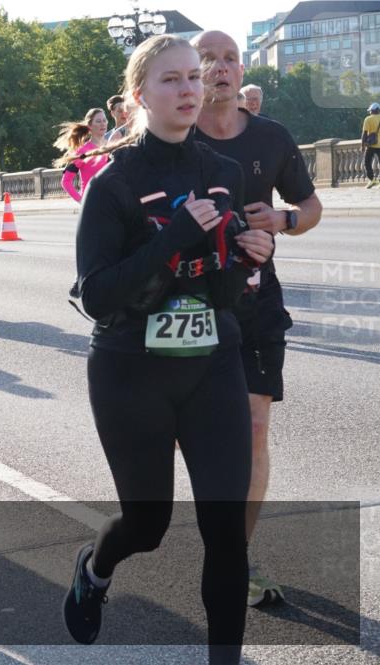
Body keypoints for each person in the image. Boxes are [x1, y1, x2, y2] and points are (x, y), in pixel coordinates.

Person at [62, 34, 275, 665]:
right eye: (171, 80)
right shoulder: (114, 183)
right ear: (139, 96)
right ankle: (95, 569)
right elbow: (97, 295)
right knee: (147, 525)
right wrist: (174, 237)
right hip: (131, 369)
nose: (188, 89)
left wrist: (249, 260)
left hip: (212, 365)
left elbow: (226, 293)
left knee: (226, 532)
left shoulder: (223, 173)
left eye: (193, 77)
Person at [193, 30, 323, 609]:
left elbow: (311, 206)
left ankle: (234, 556)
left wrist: (284, 219)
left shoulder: (271, 136)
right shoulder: (174, 136)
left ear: (240, 71)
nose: (220, 68)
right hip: (187, 305)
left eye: (230, 59)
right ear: (191, 71)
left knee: (254, 427)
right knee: (196, 437)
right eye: (208, 59)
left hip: (255, 301)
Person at [55, 108, 110, 203]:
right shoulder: (83, 151)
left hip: (112, 203)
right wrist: (81, 201)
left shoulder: (112, 146)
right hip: (92, 203)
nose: (103, 124)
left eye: (104, 120)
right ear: (89, 126)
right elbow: (65, 181)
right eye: (98, 121)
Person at [363, 102, 380, 189]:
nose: (370, 112)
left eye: (371, 110)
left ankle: (372, 180)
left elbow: (364, 133)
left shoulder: (368, 119)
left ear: (374, 110)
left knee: (367, 162)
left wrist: (363, 145)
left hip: (371, 145)